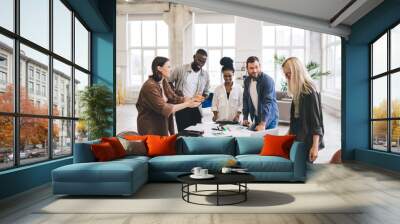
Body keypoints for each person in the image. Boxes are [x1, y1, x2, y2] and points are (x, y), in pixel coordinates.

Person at [136, 56, 201, 136]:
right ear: (159, 68)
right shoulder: (150, 86)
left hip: (161, 124)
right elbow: (165, 108)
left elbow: (174, 98)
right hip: (150, 127)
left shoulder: (163, 82)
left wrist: (192, 99)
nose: (171, 69)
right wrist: (188, 104)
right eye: (168, 67)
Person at [281, 57, 324, 162]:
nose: (287, 78)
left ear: (296, 71)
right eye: (285, 74)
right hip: (298, 139)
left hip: (307, 141)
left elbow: (316, 123)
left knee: (303, 173)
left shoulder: (309, 90)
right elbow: (296, 119)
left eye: (288, 73)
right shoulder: (298, 91)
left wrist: (315, 147)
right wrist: (285, 136)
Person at [169, 49, 210, 132]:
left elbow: (206, 92)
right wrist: (175, 91)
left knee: (197, 133)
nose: (200, 63)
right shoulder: (180, 69)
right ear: (194, 57)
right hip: (182, 106)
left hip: (196, 108)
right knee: (183, 133)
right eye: (199, 60)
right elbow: (168, 82)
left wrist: (203, 98)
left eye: (203, 62)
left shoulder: (205, 75)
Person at [242, 56, 279, 131]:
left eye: (256, 67)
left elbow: (267, 102)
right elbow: (245, 99)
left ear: (260, 66)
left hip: (270, 118)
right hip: (256, 117)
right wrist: (245, 117)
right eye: (251, 68)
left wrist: (263, 124)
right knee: (252, 138)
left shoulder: (267, 80)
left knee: (267, 141)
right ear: (247, 69)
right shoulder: (247, 81)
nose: (255, 70)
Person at [211, 57, 243, 122]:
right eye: (225, 76)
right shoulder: (218, 89)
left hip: (235, 122)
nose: (227, 78)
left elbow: (241, 105)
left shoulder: (239, 88)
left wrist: (237, 116)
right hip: (220, 122)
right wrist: (215, 115)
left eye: (229, 76)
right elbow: (214, 105)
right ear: (222, 74)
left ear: (233, 73)